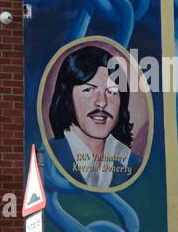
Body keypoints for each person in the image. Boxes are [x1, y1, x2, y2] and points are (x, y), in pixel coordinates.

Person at [47, 45, 143, 189]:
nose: (102, 102)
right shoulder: (48, 158)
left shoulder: (134, 164)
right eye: (89, 90)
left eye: (111, 92)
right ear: (67, 97)